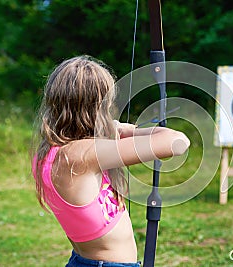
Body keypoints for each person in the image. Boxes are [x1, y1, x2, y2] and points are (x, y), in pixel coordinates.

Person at [32, 55, 190, 267]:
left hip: (83, 261)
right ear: (96, 106)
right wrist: (128, 130)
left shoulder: (50, 152)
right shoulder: (84, 154)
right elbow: (177, 141)